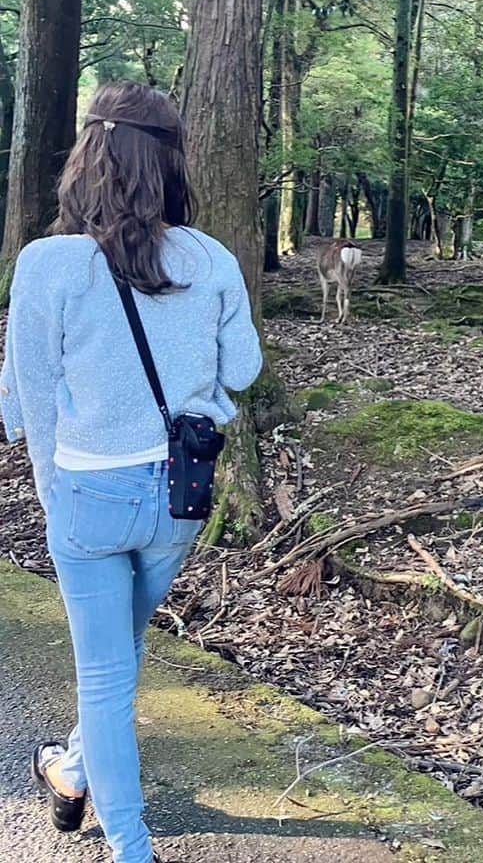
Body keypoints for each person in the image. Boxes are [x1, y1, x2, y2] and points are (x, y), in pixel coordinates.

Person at [0, 81, 262, 863]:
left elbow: (26, 399)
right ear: (172, 163)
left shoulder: (47, 263)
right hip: (177, 497)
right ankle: (74, 770)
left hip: (89, 494)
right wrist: (197, 385)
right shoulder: (209, 257)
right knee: (120, 657)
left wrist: (51, 491)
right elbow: (243, 369)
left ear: (87, 157)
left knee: (108, 675)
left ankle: (133, 849)